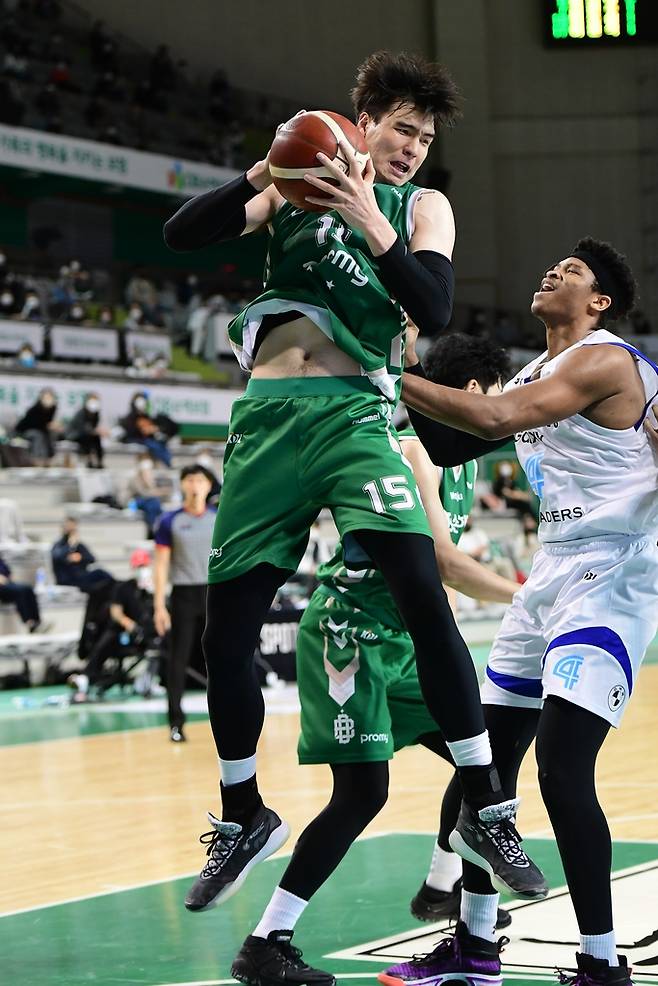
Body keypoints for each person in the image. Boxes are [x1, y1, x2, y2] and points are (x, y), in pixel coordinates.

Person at [164, 48, 545, 951]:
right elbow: (183, 233)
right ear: (361, 123)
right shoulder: (294, 187)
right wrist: (265, 171)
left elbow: (434, 307)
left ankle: (486, 806)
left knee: (422, 590)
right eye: (401, 129)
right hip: (266, 420)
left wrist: (372, 215)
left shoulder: (421, 207)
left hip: (354, 416)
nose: (412, 147)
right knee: (226, 632)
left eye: (424, 137)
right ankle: (242, 813)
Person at [384, 237, 658, 986]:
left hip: (616, 571)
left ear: (599, 302)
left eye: (572, 272)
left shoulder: (606, 361)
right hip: (551, 571)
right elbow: (450, 445)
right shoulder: (535, 370)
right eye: (553, 265)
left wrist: (387, 374)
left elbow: (497, 416)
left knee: (563, 770)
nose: (552, 272)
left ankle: (601, 962)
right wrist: (388, 365)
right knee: (484, 766)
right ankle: (475, 947)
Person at [230, 333, 522, 984]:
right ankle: (266, 941)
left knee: (485, 761)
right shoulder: (414, 448)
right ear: (474, 393)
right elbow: (444, 562)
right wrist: (527, 595)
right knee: (363, 794)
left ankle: (444, 886)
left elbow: (440, 584)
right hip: (350, 633)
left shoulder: (465, 463)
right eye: (498, 395)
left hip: (404, 642)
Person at [153, 465, 215, 742]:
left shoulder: (218, 518)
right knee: (178, 659)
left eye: (200, 480)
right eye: (189, 480)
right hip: (183, 595)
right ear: (182, 485)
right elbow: (160, 565)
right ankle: (175, 723)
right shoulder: (170, 521)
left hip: (214, 593)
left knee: (221, 657)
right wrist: (158, 605)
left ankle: (228, 718)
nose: (195, 485)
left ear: (208, 486)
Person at [68, 548, 157, 701]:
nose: (142, 569)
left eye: (144, 566)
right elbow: (116, 612)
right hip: (125, 634)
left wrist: (153, 592)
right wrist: (129, 625)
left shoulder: (153, 590)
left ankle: (153, 680)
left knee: (165, 642)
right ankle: (86, 678)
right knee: (109, 637)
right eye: (139, 566)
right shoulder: (123, 588)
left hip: (150, 633)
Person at [51, 517, 114, 594]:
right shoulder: (59, 545)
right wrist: (70, 547)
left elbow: (91, 558)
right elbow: (57, 556)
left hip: (81, 577)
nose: (71, 530)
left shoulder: (78, 545)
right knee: (100, 575)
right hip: (67, 580)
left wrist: (80, 557)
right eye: (69, 527)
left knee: (101, 575)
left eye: (73, 528)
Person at [118, 391, 174, 466]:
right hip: (136, 438)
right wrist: (141, 430)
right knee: (154, 445)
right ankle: (168, 463)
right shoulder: (131, 417)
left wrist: (153, 429)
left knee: (161, 442)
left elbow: (152, 427)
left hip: (147, 439)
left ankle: (167, 461)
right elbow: (129, 430)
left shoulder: (146, 416)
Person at [0, 554, 49, 633]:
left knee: (28, 588)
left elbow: (7, 571)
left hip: (6, 583)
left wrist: (6, 577)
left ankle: (37, 621)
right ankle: (29, 622)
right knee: (20, 592)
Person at [14, 388, 62, 465]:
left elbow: (48, 424)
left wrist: (53, 426)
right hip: (25, 431)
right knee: (38, 435)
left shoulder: (53, 408)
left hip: (42, 431)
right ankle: (37, 458)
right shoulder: (35, 409)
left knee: (50, 435)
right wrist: (48, 425)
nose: (48, 400)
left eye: (50, 398)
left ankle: (49, 458)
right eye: (46, 398)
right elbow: (32, 424)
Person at [65, 392, 108, 468]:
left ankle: (99, 461)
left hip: (88, 434)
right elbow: (82, 429)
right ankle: (88, 460)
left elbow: (93, 427)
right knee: (88, 437)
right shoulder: (81, 413)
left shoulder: (96, 414)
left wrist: (97, 431)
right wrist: (95, 431)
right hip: (75, 434)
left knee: (96, 438)